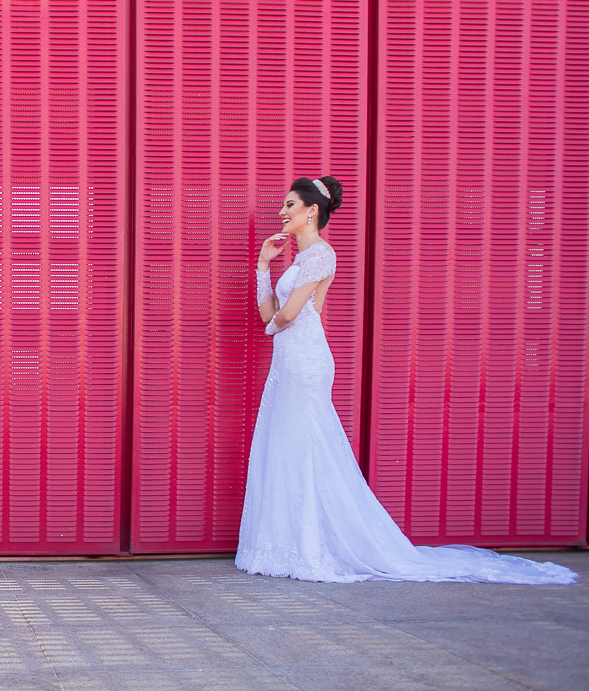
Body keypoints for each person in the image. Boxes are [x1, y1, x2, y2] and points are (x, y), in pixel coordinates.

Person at [236, 176, 576, 584]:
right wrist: (263, 266)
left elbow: (287, 316)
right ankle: (287, 544)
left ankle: (311, 546)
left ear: (311, 211)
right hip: (288, 361)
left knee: (305, 445)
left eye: (290, 204)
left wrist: (274, 326)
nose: (282, 212)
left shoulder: (321, 254)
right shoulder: (298, 261)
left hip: (305, 361)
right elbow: (271, 314)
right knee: (287, 444)